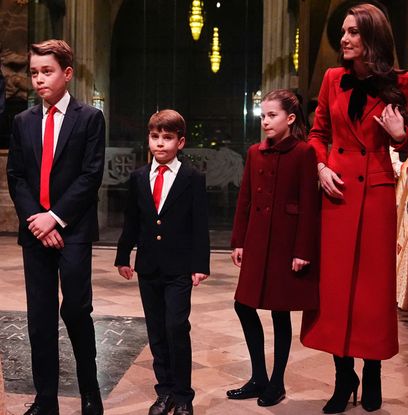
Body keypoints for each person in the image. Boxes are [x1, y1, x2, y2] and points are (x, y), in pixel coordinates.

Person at [300, 3, 408, 413]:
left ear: (373, 37)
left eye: (353, 32)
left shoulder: (404, 83)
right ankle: (342, 375)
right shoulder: (333, 79)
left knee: (370, 291)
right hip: (337, 192)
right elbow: (317, 133)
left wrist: (402, 137)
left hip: (378, 193)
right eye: (343, 32)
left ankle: (372, 371)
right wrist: (320, 165)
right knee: (334, 289)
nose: (344, 39)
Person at [6, 39, 105, 415]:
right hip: (36, 231)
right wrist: (39, 221)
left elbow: (90, 175)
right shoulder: (23, 122)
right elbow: (16, 177)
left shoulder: (89, 118)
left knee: (77, 310)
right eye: (33, 72)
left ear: (67, 73)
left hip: (73, 229)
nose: (38, 79)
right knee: (39, 318)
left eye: (46, 71)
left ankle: (90, 392)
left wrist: (56, 217)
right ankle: (46, 398)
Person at [226, 89, 319, 407]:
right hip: (256, 241)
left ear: (290, 119)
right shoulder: (254, 152)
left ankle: (276, 382)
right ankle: (258, 377)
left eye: (272, 115)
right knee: (243, 305)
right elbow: (246, 199)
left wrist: (302, 250)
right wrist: (238, 240)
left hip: (285, 244)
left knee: (280, 313)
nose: (265, 121)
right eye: (262, 115)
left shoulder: (304, 153)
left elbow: (310, 205)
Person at [115, 109, 210, 415]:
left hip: (179, 266)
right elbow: (132, 220)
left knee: (175, 327)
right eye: (155, 137)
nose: (160, 144)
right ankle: (164, 391)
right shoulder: (139, 177)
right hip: (149, 266)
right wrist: (123, 255)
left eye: (167, 138)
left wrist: (200, 264)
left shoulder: (192, 178)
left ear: (180, 142)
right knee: (156, 330)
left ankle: (183, 395)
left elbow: (199, 224)